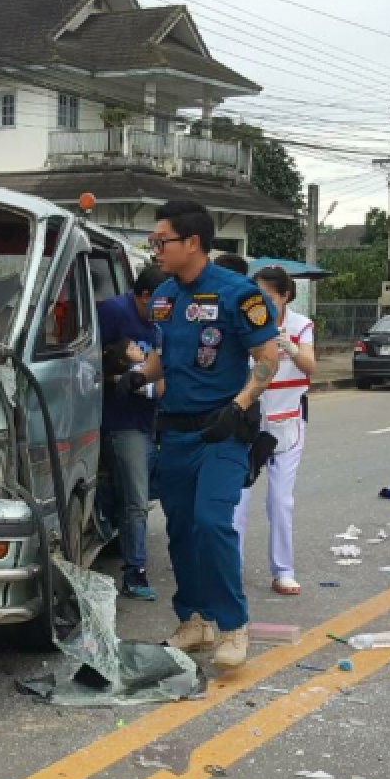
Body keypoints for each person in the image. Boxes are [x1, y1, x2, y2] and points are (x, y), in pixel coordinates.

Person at [111, 201, 284, 670]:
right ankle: (195, 620)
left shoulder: (237, 294)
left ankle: (233, 623)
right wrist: (138, 375)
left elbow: (268, 358)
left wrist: (240, 405)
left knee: (211, 524)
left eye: (161, 241)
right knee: (182, 532)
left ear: (192, 242)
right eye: (153, 242)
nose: (155, 250)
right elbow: (168, 356)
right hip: (175, 433)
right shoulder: (165, 295)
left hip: (222, 432)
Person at [233, 266, 315, 596]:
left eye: (267, 296)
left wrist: (292, 349)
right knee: (236, 502)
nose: (260, 303)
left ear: (285, 296)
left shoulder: (300, 325)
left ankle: (283, 570)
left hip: (286, 424)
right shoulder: (246, 323)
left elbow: (310, 365)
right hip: (249, 424)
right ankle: (232, 570)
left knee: (280, 501)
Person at [97, 265, 167, 600]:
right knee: (137, 500)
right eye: (160, 302)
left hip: (150, 419)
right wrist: (123, 373)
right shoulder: (113, 312)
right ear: (143, 296)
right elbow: (88, 364)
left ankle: (107, 527)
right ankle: (134, 572)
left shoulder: (161, 322)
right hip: (121, 421)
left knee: (135, 493)